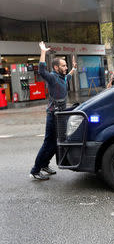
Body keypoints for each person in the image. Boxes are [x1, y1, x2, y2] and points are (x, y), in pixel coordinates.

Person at [30, 41, 77, 180]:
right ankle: (35, 170)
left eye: (66, 65)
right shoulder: (52, 77)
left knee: (56, 142)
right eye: (63, 65)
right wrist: (43, 51)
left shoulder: (63, 78)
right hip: (53, 114)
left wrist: (73, 68)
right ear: (56, 67)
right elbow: (41, 71)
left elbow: (68, 76)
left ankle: (44, 165)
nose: (65, 67)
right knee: (48, 143)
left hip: (60, 115)